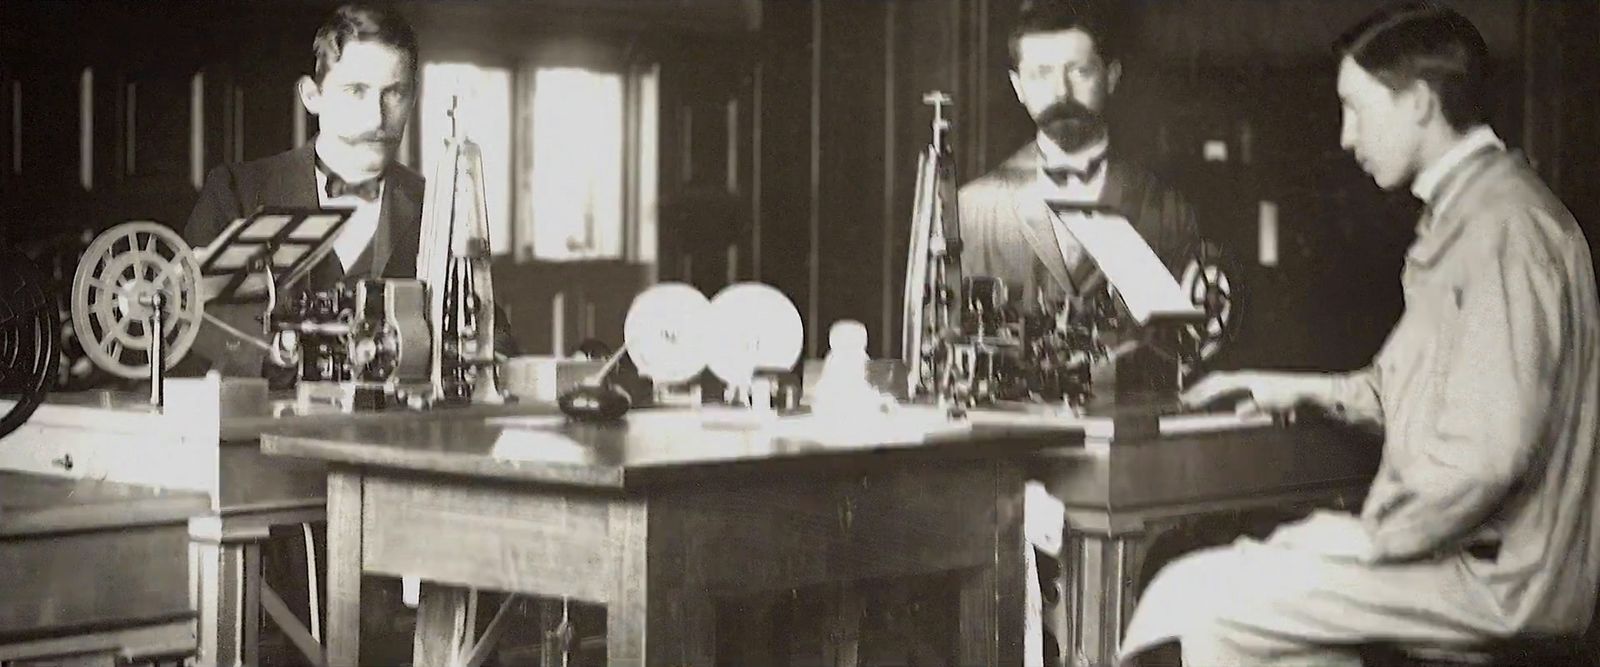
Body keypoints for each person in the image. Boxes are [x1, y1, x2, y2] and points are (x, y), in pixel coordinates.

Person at [1120, 3, 1600, 665]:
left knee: (1190, 599)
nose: (1346, 136)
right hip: (1474, 561)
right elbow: (1426, 390)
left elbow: (1488, 451)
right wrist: (1287, 388)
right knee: (1222, 605)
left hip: (1500, 583)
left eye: (1356, 108)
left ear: (1421, 105)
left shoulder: (1501, 231)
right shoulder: (1481, 210)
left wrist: (1370, 538)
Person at [959, 0, 1202, 311]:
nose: (1061, 92)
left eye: (1079, 71)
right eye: (1041, 74)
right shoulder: (971, 211)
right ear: (1018, 86)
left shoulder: (1170, 209)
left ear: (1111, 76)